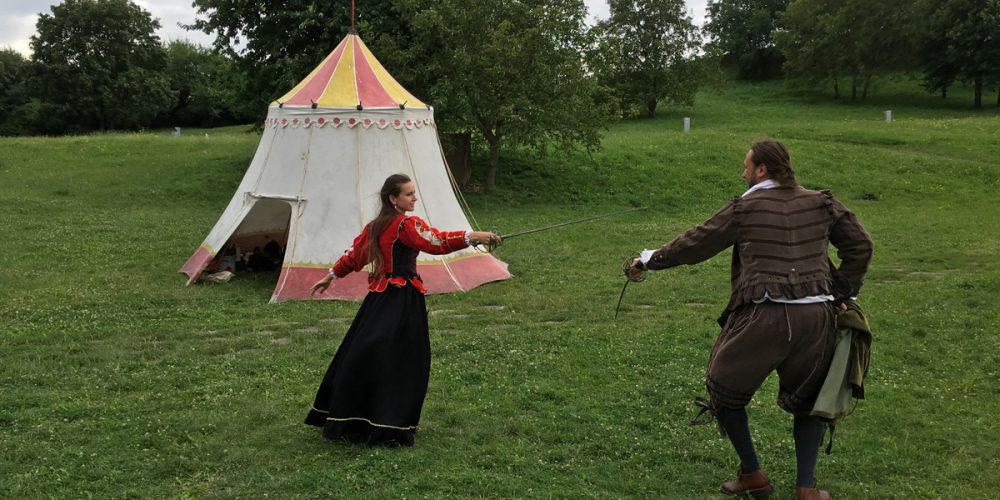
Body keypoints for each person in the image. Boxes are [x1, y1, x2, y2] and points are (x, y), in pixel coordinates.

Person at [627, 140, 873, 500]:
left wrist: (649, 259)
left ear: (761, 170)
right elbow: (860, 246)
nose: (742, 173)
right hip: (816, 319)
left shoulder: (745, 207)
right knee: (810, 401)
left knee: (723, 390)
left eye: (746, 166)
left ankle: (754, 474)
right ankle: (806, 488)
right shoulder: (822, 201)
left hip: (764, 316)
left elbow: (697, 243)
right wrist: (840, 293)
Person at [304, 173, 501, 447]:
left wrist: (333, 275)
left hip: (388, 300)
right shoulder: (400, 225)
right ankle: (378, 422)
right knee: (393, 358)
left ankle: (368, 418)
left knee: (375, 352)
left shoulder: (382, 225)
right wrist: (474, 236)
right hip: (396, 300)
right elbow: (436, 242)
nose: (414, 198)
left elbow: (358, 254)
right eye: (408, 194)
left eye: (413, 193)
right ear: (393, 199)